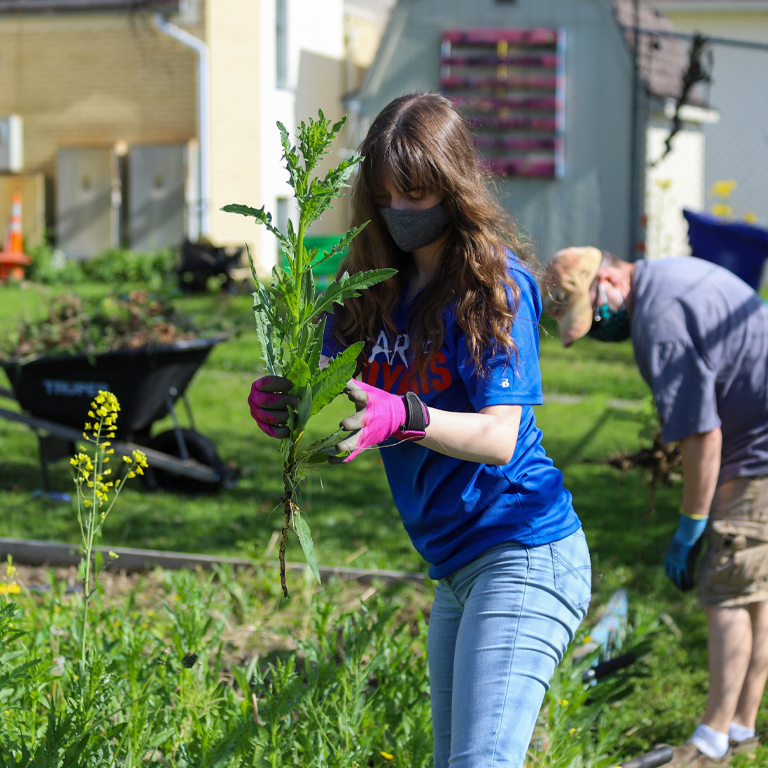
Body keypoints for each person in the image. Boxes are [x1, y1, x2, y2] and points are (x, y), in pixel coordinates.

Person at [248, 93, 591, 768]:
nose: (402, 211)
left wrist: (406, 415)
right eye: (387, 195)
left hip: (522, 546)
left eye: (419, 193)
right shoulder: (371, 283)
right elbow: (320, 374)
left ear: (453, 185)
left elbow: (498, 438)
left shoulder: (493, 286)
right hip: (456, 566)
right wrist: (284, 401)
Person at [541, 246, 768, 767]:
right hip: (758, 437)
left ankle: (710, 744)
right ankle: (740, 729)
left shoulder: (660, 321)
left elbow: (702, 437)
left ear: (612, 279)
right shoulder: (667, 277)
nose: (599, 330)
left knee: (726, 589)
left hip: (754, 449)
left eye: (595, 317)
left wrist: (690, 528)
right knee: (753, 586)